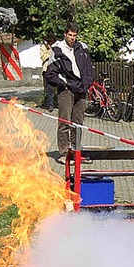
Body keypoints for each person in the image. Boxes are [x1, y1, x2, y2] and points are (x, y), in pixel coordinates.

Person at [45, 21, 94, 165]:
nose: (72, 38)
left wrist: (88, 83)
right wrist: (63, 84)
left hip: (81, 89)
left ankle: (76, 150)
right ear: (65, 34)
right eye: (70, 35)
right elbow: (50, 74)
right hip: (66, 90)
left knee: (78, 122)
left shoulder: (82, 48)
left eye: (75, 35)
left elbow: (88, 69)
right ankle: (64, 152)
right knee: (65, 121)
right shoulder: (57, 50)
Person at [40, 32, 56, 112]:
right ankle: (50, 105)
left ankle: (57, 103)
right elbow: (43, 57)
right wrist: (50, 52)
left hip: (56, 70)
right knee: (49, 89)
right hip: (47, 70)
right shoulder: (43, 47)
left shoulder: (56, 47)